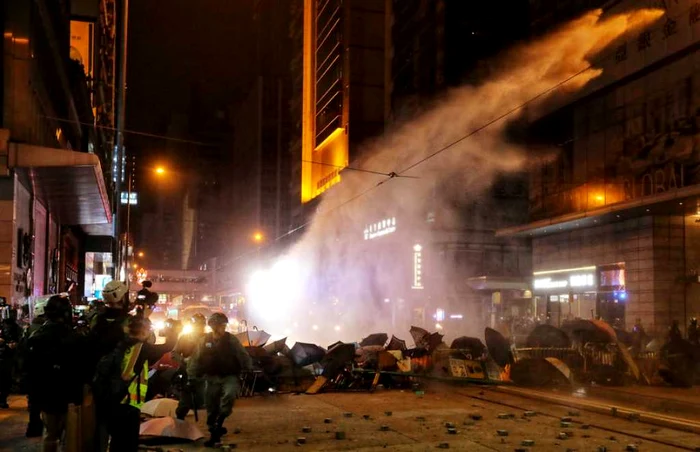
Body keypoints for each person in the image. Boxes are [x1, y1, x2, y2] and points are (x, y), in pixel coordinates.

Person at [24, 295, 84, 452]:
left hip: (46, 395)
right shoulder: (75, 338)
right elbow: (82, 369)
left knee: (50, 435)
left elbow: (29, 370)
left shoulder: (36, 337)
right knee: (70, 438)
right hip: (70, 396)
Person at [191, 312, 252, 447]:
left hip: (229, 376)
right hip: (211, 377)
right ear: (213, 326)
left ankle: (220, 421)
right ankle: (214, 431)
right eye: (221, 325)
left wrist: (248, 367)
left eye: (224, 325)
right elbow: (196, 358)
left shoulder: (231, 340)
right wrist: (192, 376)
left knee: (229, 396)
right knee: (211, 405)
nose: (223, 328)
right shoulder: (204, 341)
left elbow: (242, 354)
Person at [93, 315, 151, 452]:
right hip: (127, 400)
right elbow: (126, 375)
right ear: (143, 331)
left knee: (117, 440)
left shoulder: (120, 344)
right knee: (127, 442)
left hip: (114, 398)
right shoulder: (139, 347)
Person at [22, 297, 50, 437]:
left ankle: (34, 427)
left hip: (32, 371)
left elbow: (23, 350)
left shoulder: (29, 329)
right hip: (45, 371)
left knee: (34, 402)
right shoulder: (46, 329)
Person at [173, 313, 206, 419]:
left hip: (204, 373)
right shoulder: (185, 338)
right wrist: (184, 360)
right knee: (185, 401)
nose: (200, 326)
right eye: (197, 324)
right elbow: (174, 353)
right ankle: (180, 419)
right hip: (188, 373)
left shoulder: (209, 338)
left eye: (202, 324)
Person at [0, 306, 22, 409]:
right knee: (6, 378)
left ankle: (3, 399)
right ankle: (2, 399)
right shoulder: (16, 327)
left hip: (7, 356)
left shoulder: (8, 326)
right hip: (8, 356)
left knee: (5, 378)